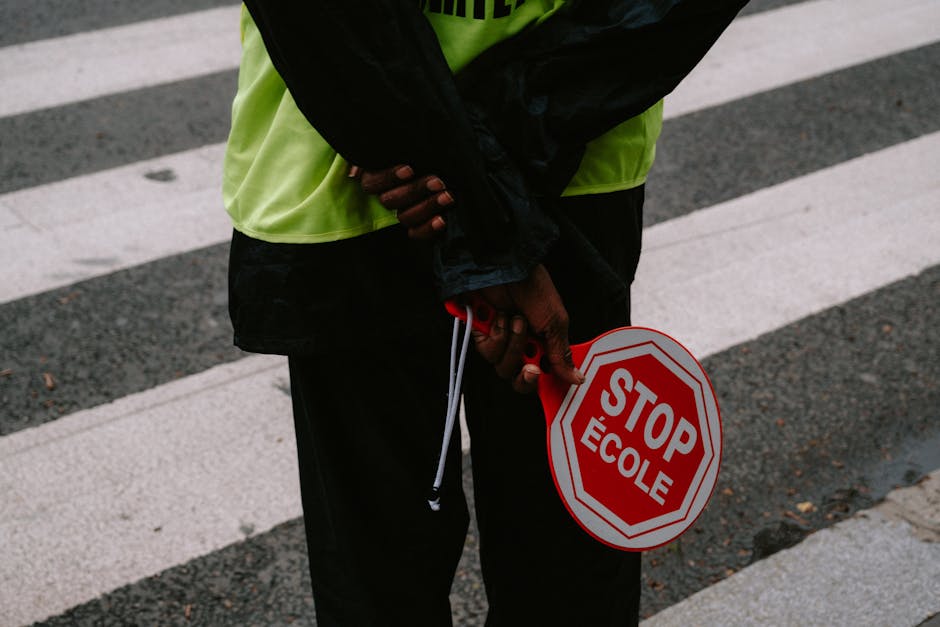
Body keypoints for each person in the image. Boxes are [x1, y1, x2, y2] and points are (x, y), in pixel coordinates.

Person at [223, 1, 746, 624]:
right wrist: (492, 178)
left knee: (387, 576)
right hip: (560, 155)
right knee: (559, 573)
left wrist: (446, 160)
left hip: (362, 165)